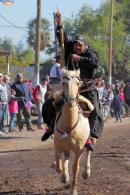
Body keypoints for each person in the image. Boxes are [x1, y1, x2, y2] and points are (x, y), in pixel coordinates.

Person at [41, 11, 104, 151]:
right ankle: (51, 126)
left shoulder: (91, 53)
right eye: (75, 45)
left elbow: (95, 62)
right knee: (49, 103)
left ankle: (90, 137)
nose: (76, 47)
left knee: (96, 112)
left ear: (85, 45)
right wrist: (59, 24)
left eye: (79, 45)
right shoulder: (71, 47)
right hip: (69, 85)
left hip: (86, 87)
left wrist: (79, 59)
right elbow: (63, 39)